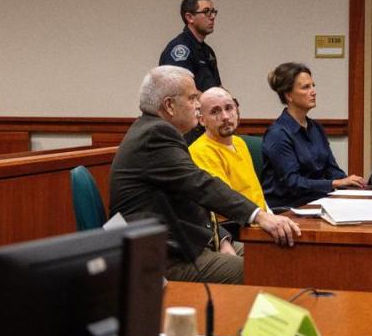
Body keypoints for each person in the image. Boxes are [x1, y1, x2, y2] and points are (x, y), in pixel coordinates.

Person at [109, 66, 300, 284]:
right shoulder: (155, 135)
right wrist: (259, 215)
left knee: (279, 257)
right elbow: (202, 186)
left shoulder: (155, 130)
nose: (198, 105)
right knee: (265, 269)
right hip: (165, 258)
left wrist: (223, 238)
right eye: (192, 98)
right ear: (169, 106)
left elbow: (193, 195)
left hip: (187, 242)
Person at [261, 62, 366, 207]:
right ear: (289, 95)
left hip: (318, 201)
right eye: (306, 87)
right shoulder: (277, 134)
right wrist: (336, 183)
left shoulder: (316, 128)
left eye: (313, 86)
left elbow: (331, 169)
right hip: (289, 208)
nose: (313, 91)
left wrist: (351, 184)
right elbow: (293, 183)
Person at [188, 87, 268, 211]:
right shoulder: (200, 151)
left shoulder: (239, 142)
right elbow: (227, 203)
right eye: (215, 112)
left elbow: (255, 193)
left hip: (263, 218)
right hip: (236, 225)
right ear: (202, 120)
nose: (225, 117)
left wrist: (271, 215)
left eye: (229, 108)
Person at [159, 0, 222, 143]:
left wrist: (229, 103)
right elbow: (182, 91)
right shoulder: (179, 49)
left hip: (206, 123)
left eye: (213, 12)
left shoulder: (208, 51)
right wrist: (216, 104)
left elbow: (216, 87)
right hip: (186, 128)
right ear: (189, 17)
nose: (212, 16)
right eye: (206, 12)